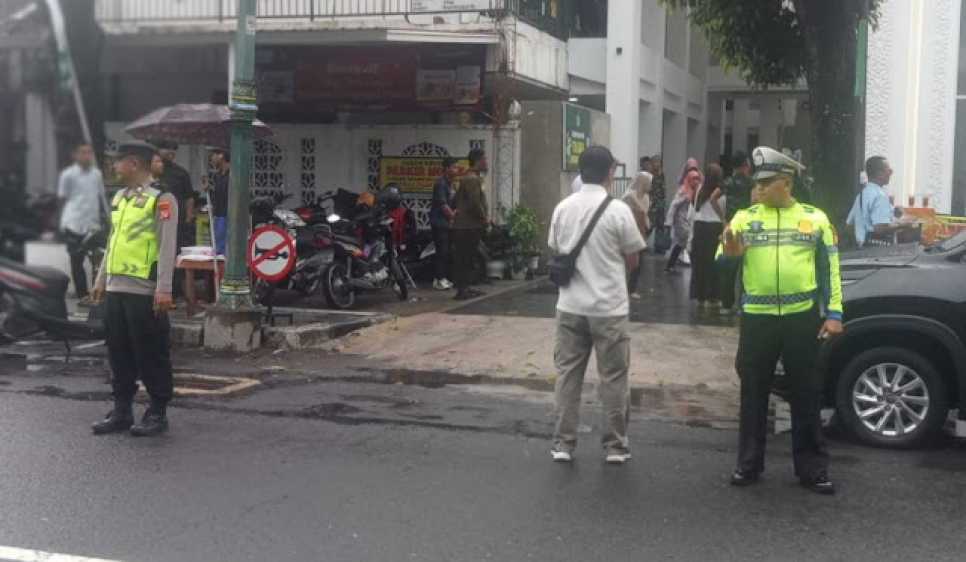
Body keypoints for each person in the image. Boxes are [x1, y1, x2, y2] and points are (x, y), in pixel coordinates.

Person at [719, 146, 842, 495]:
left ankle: (812, 469)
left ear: (785, 183)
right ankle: (748, 463)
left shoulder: (815, 219)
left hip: (801, 319)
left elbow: (829, 270)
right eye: (757, 182)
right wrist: (729, 257)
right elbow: (721, 263)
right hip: (757, 320)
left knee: (806, 392)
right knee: (752, 393)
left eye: (765, 182)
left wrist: (835, 313)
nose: (757, 187)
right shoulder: (743, 219)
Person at [548, 146, 646, 464]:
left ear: (581, 171)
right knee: (613, 378)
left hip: (570, 306)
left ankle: (563, 444)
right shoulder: (619, 211)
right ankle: (615, 447)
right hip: (609, 309)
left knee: (567, 375)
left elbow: (557, 249)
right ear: (610, 173)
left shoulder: (562, 208)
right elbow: (633, 259)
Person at [90, 143, 179, 437]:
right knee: (118, 352)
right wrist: (101, 279)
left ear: (134, 164)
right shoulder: (120, 197)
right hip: (116, 287)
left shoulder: (162, 198)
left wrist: (164, 288)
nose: (114, 167)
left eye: (118, 162)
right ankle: (121, 410)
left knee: (151, 352)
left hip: (145, 290)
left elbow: (167, 246)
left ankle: (157, 412)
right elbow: (113, 240)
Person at [57, 142, 107, 306]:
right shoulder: (68, 175)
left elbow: (100, 197)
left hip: (92, 224)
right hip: (73, 223)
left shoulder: (96, 175)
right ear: (75, 155)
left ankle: (96, 293)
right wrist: (64, 221)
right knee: (76, 260)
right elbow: (62, 199)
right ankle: (81, 294)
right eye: (82, 153)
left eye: (88, 153)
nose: (86, 156)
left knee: (97, 260)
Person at [156, 142, 197, 298]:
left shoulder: (180, 173)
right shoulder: (152, 174)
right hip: (156, 223)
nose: (171, 151)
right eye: (167, 147)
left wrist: (188, 218)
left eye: (174, 149)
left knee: (175, 256)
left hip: (177, 223)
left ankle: (174, 292)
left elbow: (189, 197)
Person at [452, 148, 490, 301]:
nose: (486, 162)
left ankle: (466, 287)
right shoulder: (471, 179)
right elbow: (474, 203)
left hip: (471, 225)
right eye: (484, 159)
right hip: (467, 226)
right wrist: (484, 218)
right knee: (465, 259)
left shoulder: (474, 178)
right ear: (477, 161)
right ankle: (462, 289)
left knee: (469, 258)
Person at [846, 156, 909, 247]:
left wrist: (861, 234)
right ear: (880, 174)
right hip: (878, 250)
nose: (890, 174)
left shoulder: (861, 195)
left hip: (861, 247)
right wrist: (903, 225)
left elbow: (849, 224)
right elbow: (879, 229)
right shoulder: (880, 196)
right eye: (889, 171)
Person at [719, 152, 754, 314]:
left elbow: (713, 198)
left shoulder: (727, 182)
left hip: (731, 227)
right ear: (746, 164)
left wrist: (723, 219)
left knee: (730, 268)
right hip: (747, 227)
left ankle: (726, 304)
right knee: (747, 267)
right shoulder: (752, 183)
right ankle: (742, 304)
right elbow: (754, 202)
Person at [690, 163, 726, 308]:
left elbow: (694, 209)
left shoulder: (699, 190)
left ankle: (699, 295)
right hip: (714, 227)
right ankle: (711, 297)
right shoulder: (721, 192)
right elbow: (723, 209)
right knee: (713, 263)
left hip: (699, 227)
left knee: (700, 263)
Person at [429, 157, 459, 291]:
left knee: (447, 252)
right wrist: (452, 216)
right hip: (439, 222)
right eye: (454, 167)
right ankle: (438, 279)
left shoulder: (452, 185)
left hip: (448, 224)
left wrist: (455, 216)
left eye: (457, 167)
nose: (456, 170)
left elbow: (455, 203)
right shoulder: (440, 184)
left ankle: (444, 277)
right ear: (446, 169)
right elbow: (443, 205)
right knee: (441, 251)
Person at [622, 171, 651, 299]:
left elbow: (645, 212)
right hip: (629, 230)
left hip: (641, 229)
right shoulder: (629, 195)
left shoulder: (645, 197)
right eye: (648, 182)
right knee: (627, 259)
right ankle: (624, 287)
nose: (649, 185)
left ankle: (631, 288)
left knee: (639, 261)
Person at [665, 167, 699, 273]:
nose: (696, 181)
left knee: (682, 243)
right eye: (693, 179)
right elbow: (674, 206)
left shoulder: (695, 191)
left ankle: (670, 265)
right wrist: (669, 222)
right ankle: (694, 264)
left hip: (687, 219)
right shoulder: (683, 191)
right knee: (688, 239)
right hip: (680, 219)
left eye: (697, 179)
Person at [209, 148, 231, 256]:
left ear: (221, 156)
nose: (211, 158)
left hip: (228, 214)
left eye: (213, 155)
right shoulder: (219, 175)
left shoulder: (233, 175)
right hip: (218, 215)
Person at [648, 155, 667, 248]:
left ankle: (659, 245)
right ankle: (640, 243)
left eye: (659, 162)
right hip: (652, 203)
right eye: (656, 162)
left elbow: (663, 187)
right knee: (650, 225)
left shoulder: (661, 175)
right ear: (652, 163)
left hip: (660, 202)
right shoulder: (649, 175)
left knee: (660, 224)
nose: (658, 164)